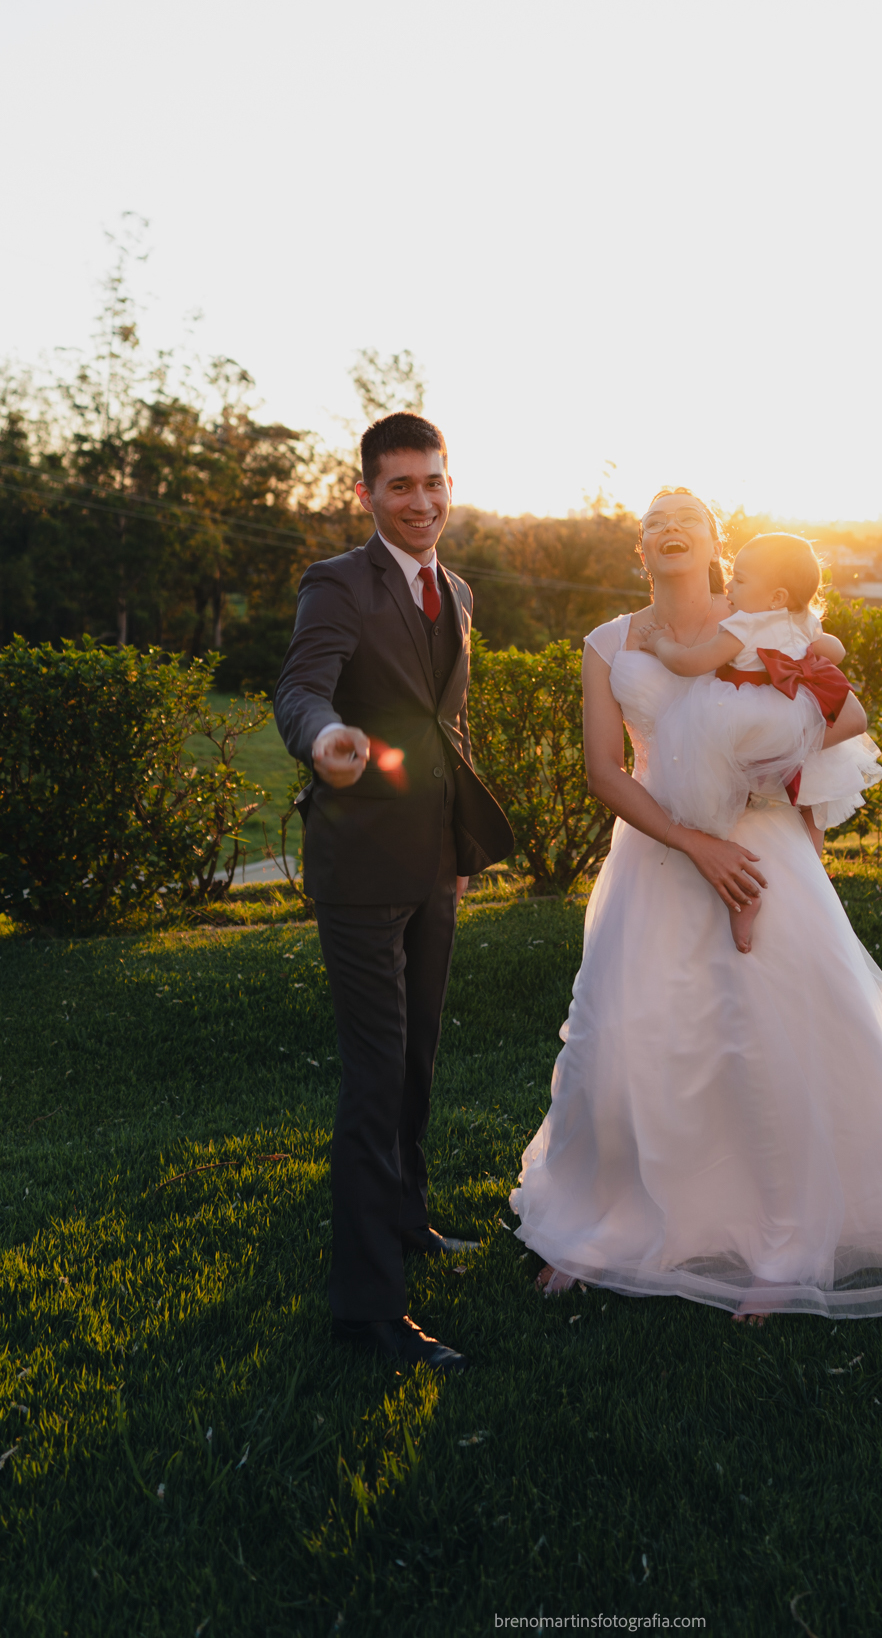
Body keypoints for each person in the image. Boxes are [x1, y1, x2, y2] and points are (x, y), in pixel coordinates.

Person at [509, 487, 882, 1319]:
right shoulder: (608, 642)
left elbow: (841, 719)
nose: (671, 529)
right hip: (657, 861)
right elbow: (606, 773)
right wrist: (698, 843)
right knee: (626, 1040)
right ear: (638, 553)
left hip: (766, 858)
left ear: (719, 543)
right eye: (654, 524)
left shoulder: (767, 620)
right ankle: (605, 1225)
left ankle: (786, 1241)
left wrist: (775, 803)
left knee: (771, 1043)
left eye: (688, 518)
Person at [275, 411, 514, 1370]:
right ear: (367, 492)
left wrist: (458, 842)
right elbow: (301, 687)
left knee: (416, 1059)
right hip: (360, 865)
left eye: (435, 482)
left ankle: (406, 1221)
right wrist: (324, 737)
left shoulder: (454, 588)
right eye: (401, 485)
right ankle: (366, 1311)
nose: (422, 501)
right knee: (374, 1079)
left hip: (430, 864)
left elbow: (442, 727)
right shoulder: (336, 583)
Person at [644, 528, 882, 951]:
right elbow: (837, 651)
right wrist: (809, 649)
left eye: (740, 579)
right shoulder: (801, 620)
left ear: (774, 596)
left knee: (717, 793)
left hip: (745, 720)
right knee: (810, 803)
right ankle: (811, 882)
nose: (730, 585)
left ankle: (744, 899)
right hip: (798, 716)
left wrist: (661, 642)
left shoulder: (742, 625)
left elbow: (690, 663)